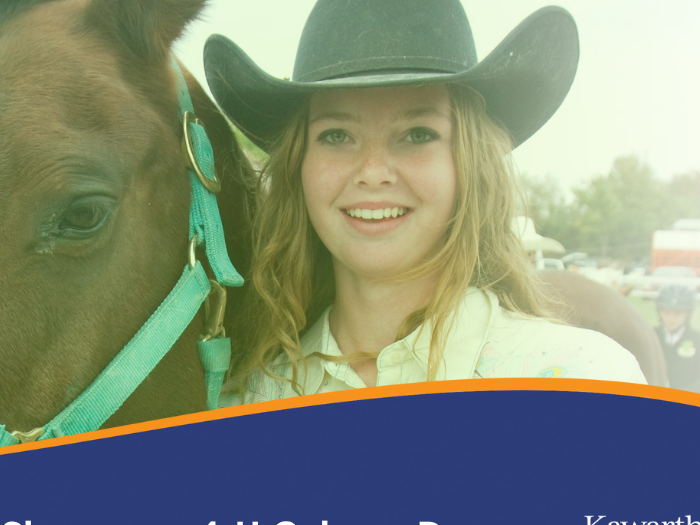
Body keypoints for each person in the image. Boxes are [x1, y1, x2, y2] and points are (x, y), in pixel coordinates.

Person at [204, 0, 645, 403]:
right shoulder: (246, 399)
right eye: (336, 135)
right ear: (298, 166)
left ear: (468, 163)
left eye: (418, 134)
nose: (373, 171)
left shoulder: (583, 381)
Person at [653, 285, 700, 394]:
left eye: (678, 313)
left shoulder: (699, 340)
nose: (671, 318)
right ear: (659, 311)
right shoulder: (650, 336)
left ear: (687, 313)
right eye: (667, 312)